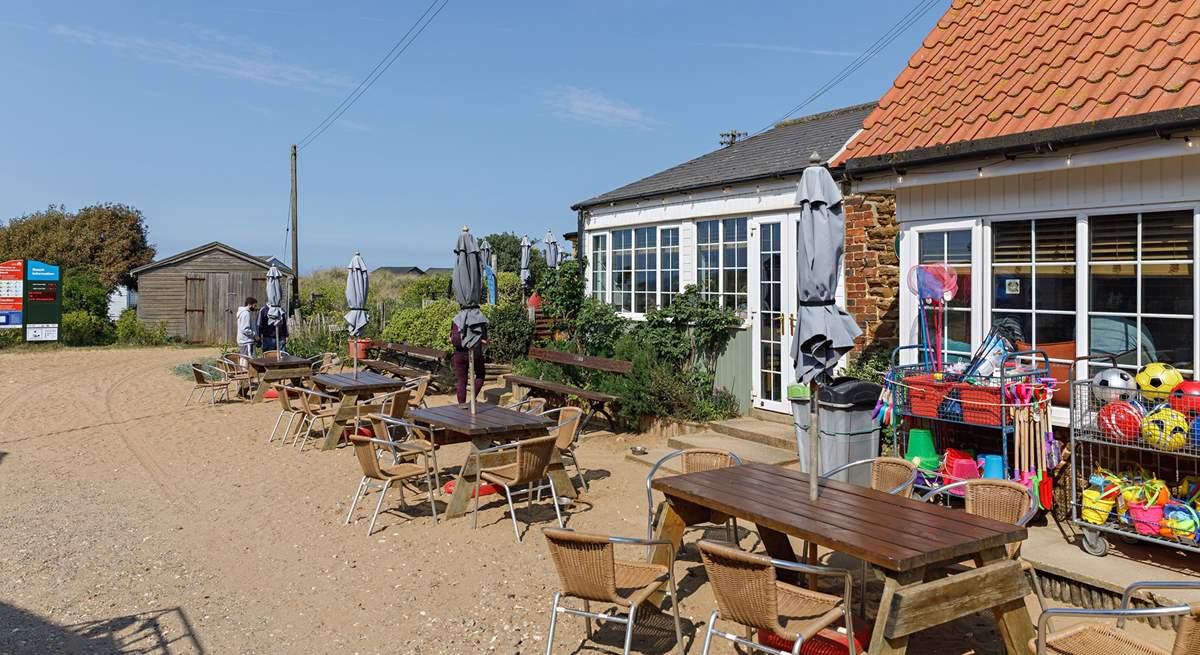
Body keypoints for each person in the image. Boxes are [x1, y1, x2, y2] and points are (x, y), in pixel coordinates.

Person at [450, 321, 486, 405]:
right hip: (475, 354)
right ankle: (472, 400)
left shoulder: (456, 320)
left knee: (462, 380)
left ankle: (462, 405)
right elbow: (484, 340)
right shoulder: (479, 320)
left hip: (459, 354)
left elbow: (451, 339)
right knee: (480, 374)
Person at [236, 297, 259, 365]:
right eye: (254, 305)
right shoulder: (246, 314)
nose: (255, 307)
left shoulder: (243, 313)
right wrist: (255, 335)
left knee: (243, 358)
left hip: (243, 340)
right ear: (249, 304)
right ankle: (246, 373)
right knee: (248, 359)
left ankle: (243, 373)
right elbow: (245, 329)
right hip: (247, 341)